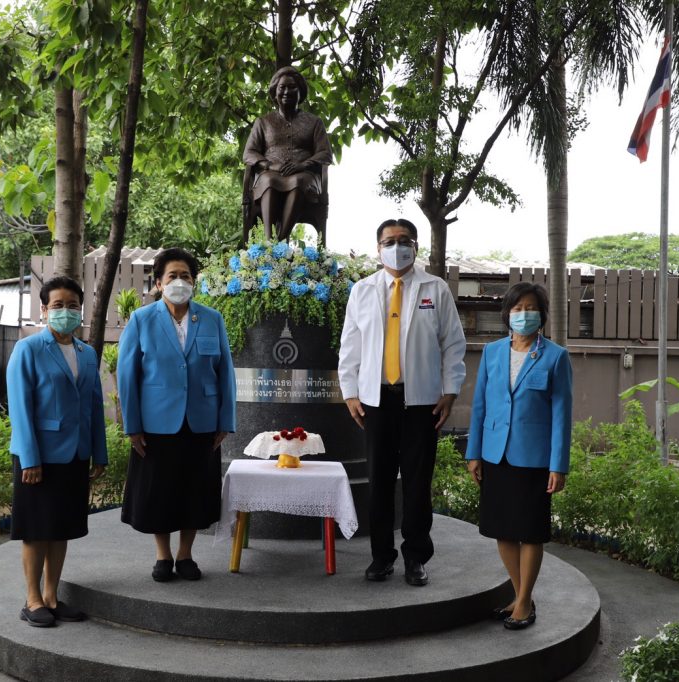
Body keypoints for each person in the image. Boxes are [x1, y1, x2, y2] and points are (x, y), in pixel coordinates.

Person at [338, 218, 467, 586]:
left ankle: (415, 557)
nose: (397, 247)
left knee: (417, 483)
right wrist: (350, 392)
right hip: (375, 401)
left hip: (422, 402)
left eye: (404, 240)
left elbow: (453, 344)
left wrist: (450, 391)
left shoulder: (435, 289)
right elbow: (350, 346)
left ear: (415, 246)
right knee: (379, 483)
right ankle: (381, 557)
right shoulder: (362, 290)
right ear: (378, 248)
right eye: (389, 241)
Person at [117, 247, 236, 582]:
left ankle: (185, 555)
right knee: (159, 492)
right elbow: (127, 376)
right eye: (172, 276)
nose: (179, 282)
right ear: (158, 283)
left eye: (186, 276)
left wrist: (225, 420)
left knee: (194, 491)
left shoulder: (212, 318)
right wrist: (132, 426)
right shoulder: (142, 319)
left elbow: (225, 372)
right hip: (156, 424)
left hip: (202, 421)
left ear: (194, 282)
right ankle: (163, 555)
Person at [465, 282, 573, 630]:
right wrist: (474, 453)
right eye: (517, 308)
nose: (523, 314)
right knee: (504, 531)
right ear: (507, 313)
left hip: (534, 459)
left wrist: (558, 464)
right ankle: (520, 595)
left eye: (530, 308)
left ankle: (524, 602)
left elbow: (562, 415)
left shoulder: (556, 356)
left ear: (542, 314)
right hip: (495, 455)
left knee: (530, 531)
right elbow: (480, 405)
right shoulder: (492, 352)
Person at [6, 275, 107, 628]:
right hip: (38, 457)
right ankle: (32, 599)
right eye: (58, 305)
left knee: (61, 528)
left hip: (75, 455)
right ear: (44, 309)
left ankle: (51, 596)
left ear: (81, 310)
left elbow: (94, 406)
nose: (66, 311)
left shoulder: (87, 353)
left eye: (72, 305)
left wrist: (99, 452)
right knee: (37, 530)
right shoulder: (28, 349)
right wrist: (29, 459)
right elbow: (20, 409)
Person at [243, 65, 333, 241]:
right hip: (270, 173)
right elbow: (249, 152)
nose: (286, 92)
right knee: (269, 180)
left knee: (299, 181)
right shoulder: (263, 122)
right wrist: (269, 165)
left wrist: (303, 165)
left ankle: (280, 242)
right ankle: (269, 240)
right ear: (275, 91)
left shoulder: (314, 122)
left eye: (292, 87)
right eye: (282, 87)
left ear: (300, 92)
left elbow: (325, 153)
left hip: (304, 176)